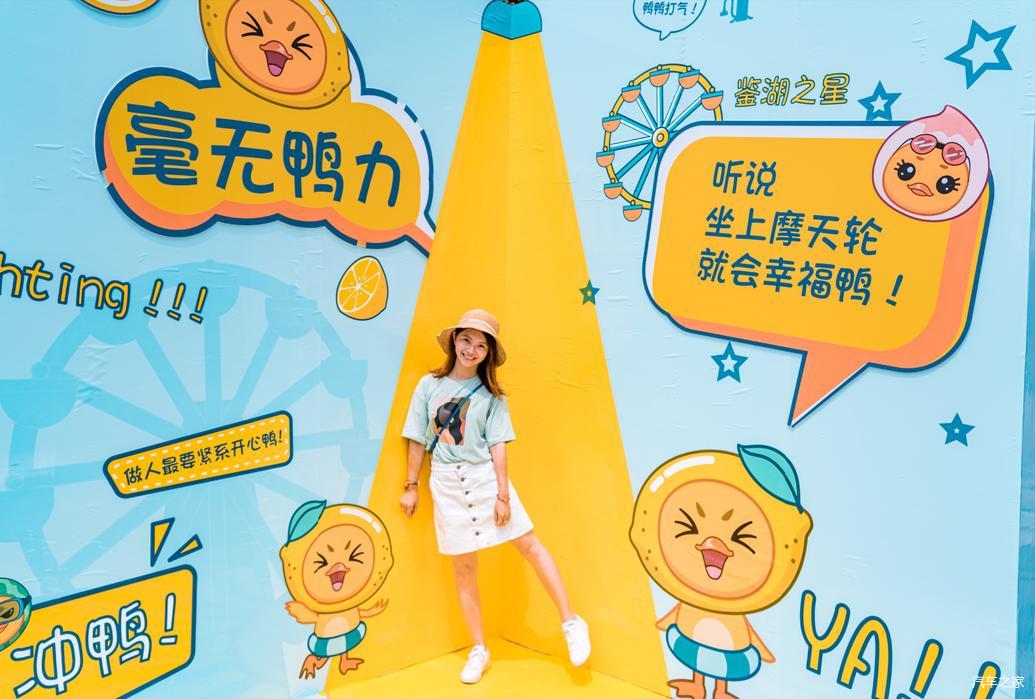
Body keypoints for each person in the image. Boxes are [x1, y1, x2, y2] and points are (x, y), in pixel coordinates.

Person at [400, 309, 591, 684]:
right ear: (454, 341)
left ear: (488, 353)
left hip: (484, 477)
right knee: (464, 568)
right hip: (445, 483)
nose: (471, 349)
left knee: (530, 545)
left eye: (481, 345)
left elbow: (498, 445)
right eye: (466, 340)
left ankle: (571, 621)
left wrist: (502, 494)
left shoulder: (491, 396)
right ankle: (479, 650)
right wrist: (411, 486)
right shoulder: (428, 386)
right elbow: (417, 437)